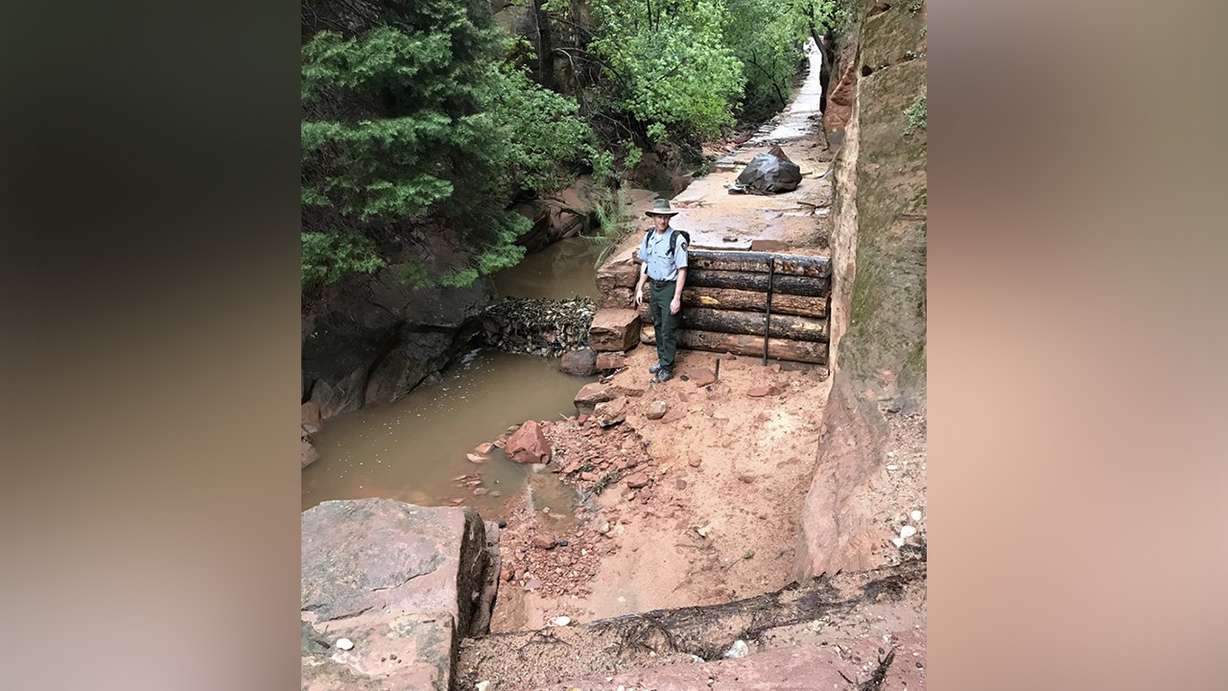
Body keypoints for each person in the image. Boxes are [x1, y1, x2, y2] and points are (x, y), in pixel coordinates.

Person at [634, 199, 688, 382]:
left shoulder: (677, 239)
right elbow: (646, 263)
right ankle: (662, 359)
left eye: (665, 217)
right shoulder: (649, 237)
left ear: (669, 218)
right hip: (654, 287)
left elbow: (682, 270)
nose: (662, 221)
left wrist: (677, 297)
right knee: (657, 325)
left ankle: (667, 366)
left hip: (669, 288)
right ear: (653, 218)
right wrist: (640, 287)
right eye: (659, 217)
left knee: (668, 329)